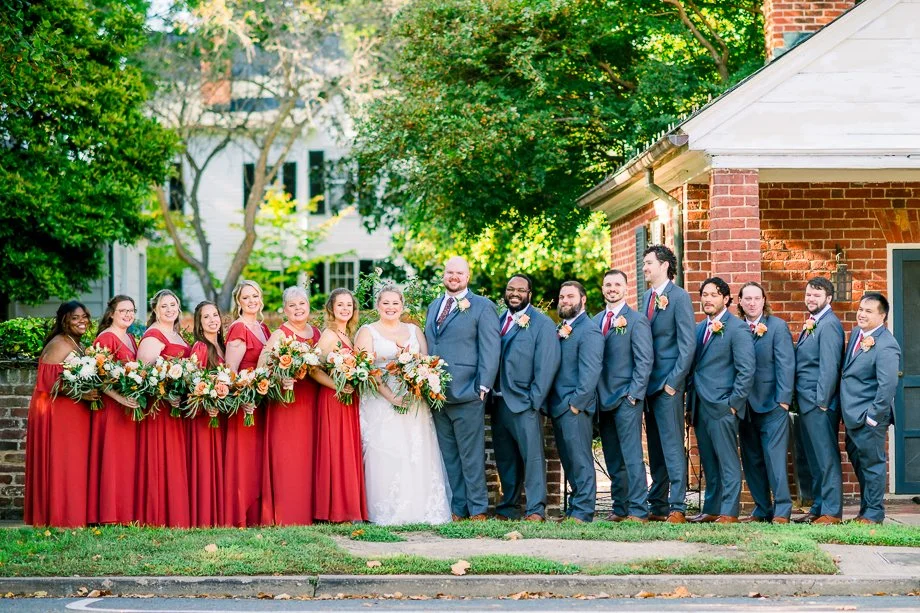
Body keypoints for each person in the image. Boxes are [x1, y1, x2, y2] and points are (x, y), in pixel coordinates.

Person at [354, 285, 452, 525]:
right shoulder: (367, 332)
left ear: (402, 305)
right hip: (381, 401)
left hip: (413, 401)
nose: (390, 308)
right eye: (385, 303)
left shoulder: (414, 330)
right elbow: (367, 371)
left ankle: (419, 509)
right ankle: (384, 511)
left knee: (415, 451)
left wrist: (416, 386)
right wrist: (392, 397)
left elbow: (426, 365)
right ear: (377, 305)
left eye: (395, 303)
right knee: (386, 451)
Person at [424, 256, 500, 521]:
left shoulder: (482, 306)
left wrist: (483, 385)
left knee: (471, 455)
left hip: (468, 392)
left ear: (467, 277)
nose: (453, 277)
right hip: (437, 394)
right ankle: (459, 509)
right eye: (449, 272)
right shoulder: (434, 306)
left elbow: (491, 348)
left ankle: (478, 509)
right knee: (450, 456)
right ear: (443, 275)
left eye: (459, 273)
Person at [490, 274, 560, 522]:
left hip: (525, 402)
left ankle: (535, 509)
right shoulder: (498, 321)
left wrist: (534, 400)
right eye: (510, 289)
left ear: (530, 293)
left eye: (521, 289)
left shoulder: (541, 324)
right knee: (506, 459)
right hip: (498, 402)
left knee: (532, 458)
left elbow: (547, 364)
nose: (515, 293)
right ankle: (508, 507)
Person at [687, 277, 755, 524]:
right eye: (704, 294)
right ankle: (712, 508)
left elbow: (746, 370)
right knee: (709, 460)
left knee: (727, 460)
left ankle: (729, 511)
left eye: (714, 294)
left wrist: (733, 404)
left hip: (723, 406)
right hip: (700, 405)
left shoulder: (737, 328)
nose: (707, 299)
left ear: (726, 299)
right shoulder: (698, 329)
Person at [24, 301, 98, 527]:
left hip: (74, 415)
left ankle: (73, 514)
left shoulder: (76, 343)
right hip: (59, 414)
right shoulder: (58, 344)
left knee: (73, 465)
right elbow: (45, 382)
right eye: (75, 318)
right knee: (63, 464)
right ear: (64, 320)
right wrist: (82, 394)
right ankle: (60, 516)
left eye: (84, 316)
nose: (81, 321)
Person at [257, 286, 322, 526]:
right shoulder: (281, 334)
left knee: (310, 455)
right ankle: (288, 513)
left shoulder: (316, 333)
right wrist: (279, 377)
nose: (297, 309)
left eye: (301, 304)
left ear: (308, 306)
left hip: (312, 402)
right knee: (288, 457)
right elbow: (262, 367)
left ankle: (311, 511)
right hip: (287, 404)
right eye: (292, 305)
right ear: (285, 310)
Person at [640, 245, 695, 523]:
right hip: (647, 386)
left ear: (664, 265)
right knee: (655, 447)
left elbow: (687, 345)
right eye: (644, 263)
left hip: (668, 386)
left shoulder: (679, 297)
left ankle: (678, 506)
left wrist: (674, 383)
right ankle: (658, 503)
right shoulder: (646, 297)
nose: (645, 267)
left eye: (648, 262)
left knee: (672, 445)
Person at [594, 270, 653, 522]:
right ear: (603, 288)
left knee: (631, 457)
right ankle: (620, 508)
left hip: (626, 398)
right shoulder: (595, 320)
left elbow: (644, 360)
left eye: (617, 284)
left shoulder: (636, 320)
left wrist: (634, 395)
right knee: (612, 456)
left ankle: (638, 510)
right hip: (601, 398)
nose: (612, 288)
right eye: (608, 284)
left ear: (626, 288)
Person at [736, 282, 795, 524]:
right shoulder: (735, 328)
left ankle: (782, 511)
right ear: (739, 301)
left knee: (775, 459)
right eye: (747, 298)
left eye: (756, 298)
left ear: (763, 301)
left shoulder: (777, 327)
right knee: (751, 460)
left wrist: (783, 401)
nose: (751, 303)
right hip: (744, 407)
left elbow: (786, 364)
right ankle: (762, 509)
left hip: (772, 405)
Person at [840, 293, 900, 524]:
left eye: (869, 311)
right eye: (861, 309)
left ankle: (874, 514)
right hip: (852, 415)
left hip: (869, 418)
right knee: (860, 463)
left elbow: (887, 386)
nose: (862, 314)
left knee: (873, 465)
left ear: (882, 316)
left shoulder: (886, 344)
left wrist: (873, 417)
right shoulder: (857, 333)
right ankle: (866, 511)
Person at [548, 281, 604, 523]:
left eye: (570, 296)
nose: (565, 301)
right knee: (569, 461)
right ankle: (574, 508)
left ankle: (583, 511)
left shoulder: (589, 330)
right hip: (559, 405)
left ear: (583, 300)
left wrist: (576, 403)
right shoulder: (561, 328)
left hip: (575, 407)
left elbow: (591, 371)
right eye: (562, 297)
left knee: (580, 460)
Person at [136, 289, 192, 527]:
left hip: (178, 407)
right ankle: (158, 515)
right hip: (161, 408)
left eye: (173, 305)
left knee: (176, 460)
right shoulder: (154, 335)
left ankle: (176, 513)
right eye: (164, 306)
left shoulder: (177, 335)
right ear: (155, 310)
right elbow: (143, 373)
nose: (169, 309)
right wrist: (166, 394)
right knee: (162, 459)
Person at [793, 277, 845, 525]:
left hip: (818, 404)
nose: (811, 299)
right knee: (814, 457)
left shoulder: (829, 325)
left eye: (817, 295)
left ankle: (832, 512)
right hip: (806, 403)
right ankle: (819, 506)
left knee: (825, 457)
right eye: (809, 294)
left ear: (829, 299)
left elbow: (829, 366)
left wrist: (822, 402)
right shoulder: (814, 322)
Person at [314, 288, 368, 523]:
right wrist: (336, 387)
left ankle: (349, 507)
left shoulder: (349, 335)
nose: (345, 309)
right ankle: (335, 510)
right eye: (340, 305)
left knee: (348, 449)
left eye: (349, 305)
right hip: (334, 399)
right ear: (331, 309)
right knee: (336, 450)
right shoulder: (328, 335)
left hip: (349, 399)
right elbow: (313, 369)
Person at [88, 295, 142, 525]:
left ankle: (125, 512)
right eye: (123, 311)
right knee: (113, 458)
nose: (128, 314)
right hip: (111, 408)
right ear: (112, 313)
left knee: (127, 460)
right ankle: (109, 514)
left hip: (128, 407)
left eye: (131, 310)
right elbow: (96, 374)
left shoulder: (130, 338)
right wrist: (118, 398)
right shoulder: (106, 337)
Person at [223, 280, 271, 527]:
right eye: (246, 297)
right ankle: (240, 514)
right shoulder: (238, 329)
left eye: (255, 296)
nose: (252, 301)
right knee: (245, 460)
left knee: (259, 459)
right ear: (238, 302)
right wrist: (243, 400)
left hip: (261, 401)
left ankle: (258, 515)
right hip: (245, 404)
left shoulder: (263, 329)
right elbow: (231, 370)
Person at [188, 301, 227, 527]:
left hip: (220, 414)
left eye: (215, 315)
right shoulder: (201, 348)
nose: (213, 320)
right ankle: (205, 517)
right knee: (206, 465)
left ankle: (218, 514)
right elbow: (193, 383)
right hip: (206, 416)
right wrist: (206, 403)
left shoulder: (222, 345)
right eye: (206, 317)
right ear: (199, 324)